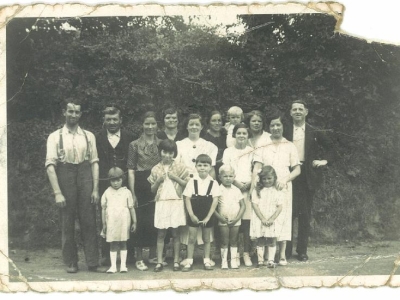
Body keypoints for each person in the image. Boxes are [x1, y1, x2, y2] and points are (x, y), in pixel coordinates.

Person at [45, 99, 100, 273]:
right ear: (64, 112)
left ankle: (92, 261)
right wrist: (57, 192)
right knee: (67, 221)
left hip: (85, 176)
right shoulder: (55, 136)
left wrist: (96, 189)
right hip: (65, 176)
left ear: (81, 114)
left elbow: (94, 163)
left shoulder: (89, 136)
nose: (73, 115)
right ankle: (71, 261)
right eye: (70, 111)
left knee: (89, 220)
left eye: (77, 112)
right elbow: (50, 166)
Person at [284, 100, 335, 261]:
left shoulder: (314, 131)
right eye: (294, 109)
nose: (297, 111)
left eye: (301, 109)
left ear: (306, 112)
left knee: (304, 214)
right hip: (289, 174)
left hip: (307, 176)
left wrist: (324, 161)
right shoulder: (285, 129)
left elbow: (331, 148)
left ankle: (302, 251)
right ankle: (285, 251)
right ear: (290, 112)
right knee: (288, 213)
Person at [252, 111, 301, 266]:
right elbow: (257, 166)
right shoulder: (262, 143)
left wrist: (284, 180)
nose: (275, 128)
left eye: (278, 124)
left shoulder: (289, 145)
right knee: (265, 217)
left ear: (283, 126)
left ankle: (282, 255)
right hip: (265, 187)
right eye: (272, 125)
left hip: (282, 187)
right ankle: (266, 257)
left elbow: (297, 169)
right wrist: (255, 182)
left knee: (282, 219)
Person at [176, 113, 218, 265]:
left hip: (204, 187)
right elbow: (177, 167)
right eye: (191, 124)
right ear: (186, 126)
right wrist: (185, 181)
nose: (194, 127)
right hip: (185, 184)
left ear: (202, 127)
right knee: (188, 220)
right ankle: (186, 255)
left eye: (197, 124)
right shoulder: (179, 144)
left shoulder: (209, 146)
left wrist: (209, 183)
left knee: (206, 221)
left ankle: (206, 256)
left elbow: (211, 169)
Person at [96, 105, 135, 266]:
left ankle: (129, 254)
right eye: (108, 119)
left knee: (126, 215)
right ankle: (106, 254)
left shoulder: (130, 137)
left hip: (124, 184)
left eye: (115, 119)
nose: (112, 122)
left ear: (121, 120)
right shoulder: (97, 138)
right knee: (107, 216)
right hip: (105, 184)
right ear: (104, 121)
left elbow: (132, 163)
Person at [148, 139, 189, 272]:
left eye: (171, 153)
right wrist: (158, 181)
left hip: (176, 202)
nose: (167, 155)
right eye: (165, 152)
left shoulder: (180, 166)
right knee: (161, 233)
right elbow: (152, 190)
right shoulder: (156, 169)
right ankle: (159, 261)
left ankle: (176, 261)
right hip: (162, 203)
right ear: (160, 152)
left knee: (176, 233)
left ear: (174, 153)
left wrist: (175, 178)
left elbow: (186, 184)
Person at [127, 111, 161, 271]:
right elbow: (131, 170)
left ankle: (154, 255)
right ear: (142, 125)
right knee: (140, 220)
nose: (150, 127)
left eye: (153, 123)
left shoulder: (162, 143)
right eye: (147, 123)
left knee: (156, 219)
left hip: (157, 183)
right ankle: (139, 257)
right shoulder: (134, 145)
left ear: (157, 125)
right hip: (140, 183)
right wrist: (133, 193)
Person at [181, 154, 221, 272]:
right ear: (196, 167)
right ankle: (189, 261)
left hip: (207, 214)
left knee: (206, 239)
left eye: (205, 165)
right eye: (200, 165)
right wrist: (191, 215)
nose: (202, 168)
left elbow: (215, 200)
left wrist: (208, 217)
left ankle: (207, 260)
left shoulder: (213, 183)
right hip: (194, 212)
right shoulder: (192, 182)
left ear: (210, 167)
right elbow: (187, 198)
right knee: (192, 238)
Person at [222, 123, 254, 267]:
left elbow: (255, 170)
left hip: (248, 189)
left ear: (248, 136)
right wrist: (237, 184)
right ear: (234, 135)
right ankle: (230, 255)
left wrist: (248, 185)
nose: (241, 136)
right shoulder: (228, 152)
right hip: (232, 188)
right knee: (230, 221)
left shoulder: (252, 150)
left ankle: (246, 253)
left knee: (246, 222)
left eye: (244, 133)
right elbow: (225, 171)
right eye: (239, 133)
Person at [101, 167, 137, 273]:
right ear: (109, 181)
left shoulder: (126, 192)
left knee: (123, 242)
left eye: (118, 180)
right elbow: (103, 209)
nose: (116, 183)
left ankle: (123, 265)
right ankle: (113, 266)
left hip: (123, 221)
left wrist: (135, 221)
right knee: (113, 243)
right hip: (111, 222)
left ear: (123, 179)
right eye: (113, 180)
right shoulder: (107, 192)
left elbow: (131, 208)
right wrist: (104, 223)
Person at [250, 166, 283, 268]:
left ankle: (270, 260)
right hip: (260, 218)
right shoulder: (257, 190)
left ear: (274, 178)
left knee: (272, 239)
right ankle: (260, 260)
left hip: (272, 219)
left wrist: (272, 219)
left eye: (269, 178)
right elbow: (254, 205)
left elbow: (280, 206)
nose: (267, 181)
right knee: (260, 239)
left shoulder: (277, 191)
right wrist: (262, 219)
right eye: (264, 179)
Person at [214, 165, 245, 269]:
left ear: (234, 177)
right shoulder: (217, 189)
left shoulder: (236, 190)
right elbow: (213, 208)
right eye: (225, 176)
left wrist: (237, 218)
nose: (228, 178)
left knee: (234, 240)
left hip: (235, 220)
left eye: (230, 176)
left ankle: (233, 261)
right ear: (220, 177)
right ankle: (224, 262)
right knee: (224, 241)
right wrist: (220, 218)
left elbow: (243, 206)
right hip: (223, 220)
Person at [201, 110, 227, 180]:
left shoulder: (226, 137)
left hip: (226, 172)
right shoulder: (205, 139)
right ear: (209, 122)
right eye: (214, 121)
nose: (217, 123)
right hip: (211, 171)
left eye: (219, 120)